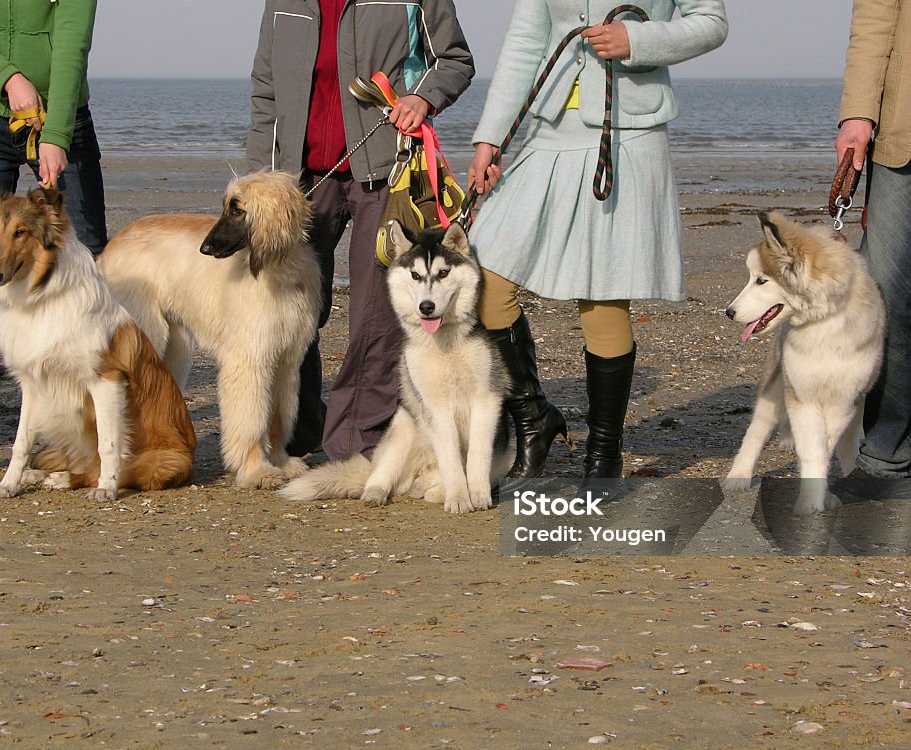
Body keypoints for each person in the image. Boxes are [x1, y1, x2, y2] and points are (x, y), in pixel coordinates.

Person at [466, 0, 727, 480]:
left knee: (603, 299)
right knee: (483, 282)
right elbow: (524, 42)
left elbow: (711, 23)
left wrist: (639, 41)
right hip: (546, 133)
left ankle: (604, 456)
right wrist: (491, 139)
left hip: (628, 135)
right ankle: (535, 419)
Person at [247, 1, 474, 461]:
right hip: (299, 179)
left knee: (375, 314)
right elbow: (265, 89)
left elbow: (454, 59)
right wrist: (261, 179)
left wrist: (422, 96)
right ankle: (300, 426)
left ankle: (354, 444)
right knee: (291, 308)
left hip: (389, 171)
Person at [0, 0, 108, 481]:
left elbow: (72, 38)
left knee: (89, 258)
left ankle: (96, 433)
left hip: (61, 111)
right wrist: (8, 78)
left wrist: (57, 132)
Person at [835, 0, 911, 482]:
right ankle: (887, 453)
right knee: (883, 289)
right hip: (902, 133)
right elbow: (876, 15)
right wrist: (857, 114)